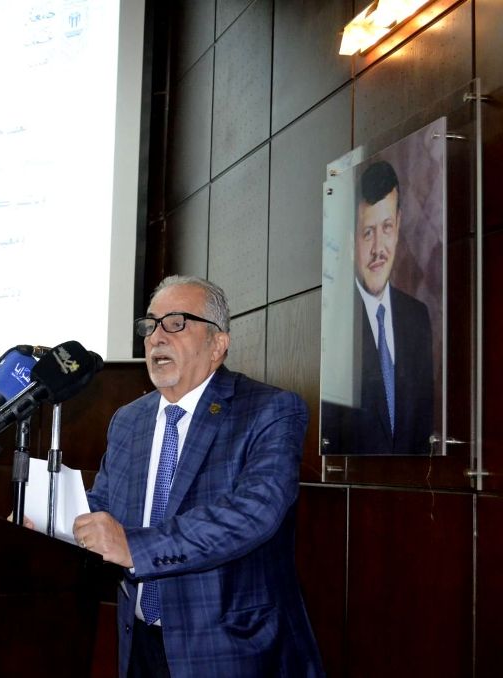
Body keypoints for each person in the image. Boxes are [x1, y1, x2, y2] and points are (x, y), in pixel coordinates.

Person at [73, 275, 323, 678]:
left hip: (229, 648)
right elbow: (104, 504)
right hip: (139, 644)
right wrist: (49, 519)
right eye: (150, 325)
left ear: (217, 344)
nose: (157, 337)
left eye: (176, 323)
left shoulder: (269, 410)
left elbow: (252, 513)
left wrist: (134, 547)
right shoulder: (129, 420)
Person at [320, 160, 433, 455]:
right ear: (350, 240)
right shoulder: (331, 325)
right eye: (368, 232)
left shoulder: (417, 318)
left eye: (387, 228)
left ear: (399, 224)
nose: (379, 249)